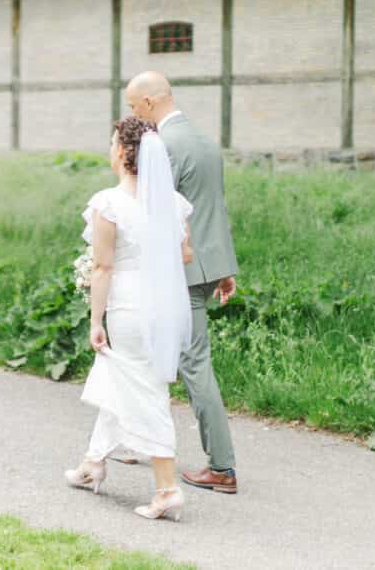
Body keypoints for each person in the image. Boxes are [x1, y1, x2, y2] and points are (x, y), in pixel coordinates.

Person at [64, 116, 195, 521]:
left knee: (147, 391)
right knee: (124, 377)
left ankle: (167, 489)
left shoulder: (109, 203)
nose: (110, 149)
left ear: (122, 151)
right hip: (164, 307)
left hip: (129, 307)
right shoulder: (172, 203)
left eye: (111, 143)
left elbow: (103, 267)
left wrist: (95, 321)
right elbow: (185, 254)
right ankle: (93, 463)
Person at [124, 71, 240, 494]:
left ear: (149, 102)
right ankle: (139, 440)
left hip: (180, 271)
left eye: (133, 107)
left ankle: (222, 467)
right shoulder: (204, 140)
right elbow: (213, 208)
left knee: (193, 364)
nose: (133, 115)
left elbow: (156, 215)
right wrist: (223, 268)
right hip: (207, 266)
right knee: (151, 348)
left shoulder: (163, 146)